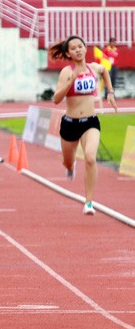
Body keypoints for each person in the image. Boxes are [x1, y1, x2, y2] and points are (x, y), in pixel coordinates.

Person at [49, 35, 118, 215]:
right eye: (73, 48)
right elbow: (56, 99)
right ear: (68, 53)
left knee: (90, 157)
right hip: (70, 124)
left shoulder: (93, 68)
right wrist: (70, 81)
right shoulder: (66, 72)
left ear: (86, 48)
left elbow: (104, 71)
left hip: (90, 122)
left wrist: (110, 92)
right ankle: (70, 166)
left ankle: (89, 202)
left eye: (80, 46)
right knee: (67, 162)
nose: (78, 50)